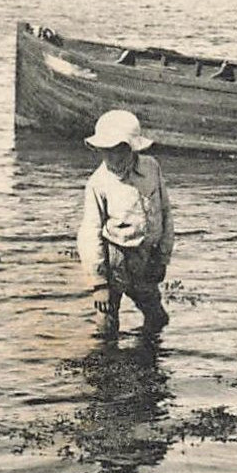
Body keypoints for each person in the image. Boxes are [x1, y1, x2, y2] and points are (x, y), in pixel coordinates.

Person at [76, 110, 174, 339]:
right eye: (106, 151)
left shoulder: (151, 168)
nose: (112, 158)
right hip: (114, 261)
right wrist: (99, 284)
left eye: (119, 150)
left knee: (157, 318)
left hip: (145, 259)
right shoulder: (98, 183)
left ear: (132, 148)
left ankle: (147, 362)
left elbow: (166, 213)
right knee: (106, 327)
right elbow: (90, 234)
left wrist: (162, 257)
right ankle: (106, 369)